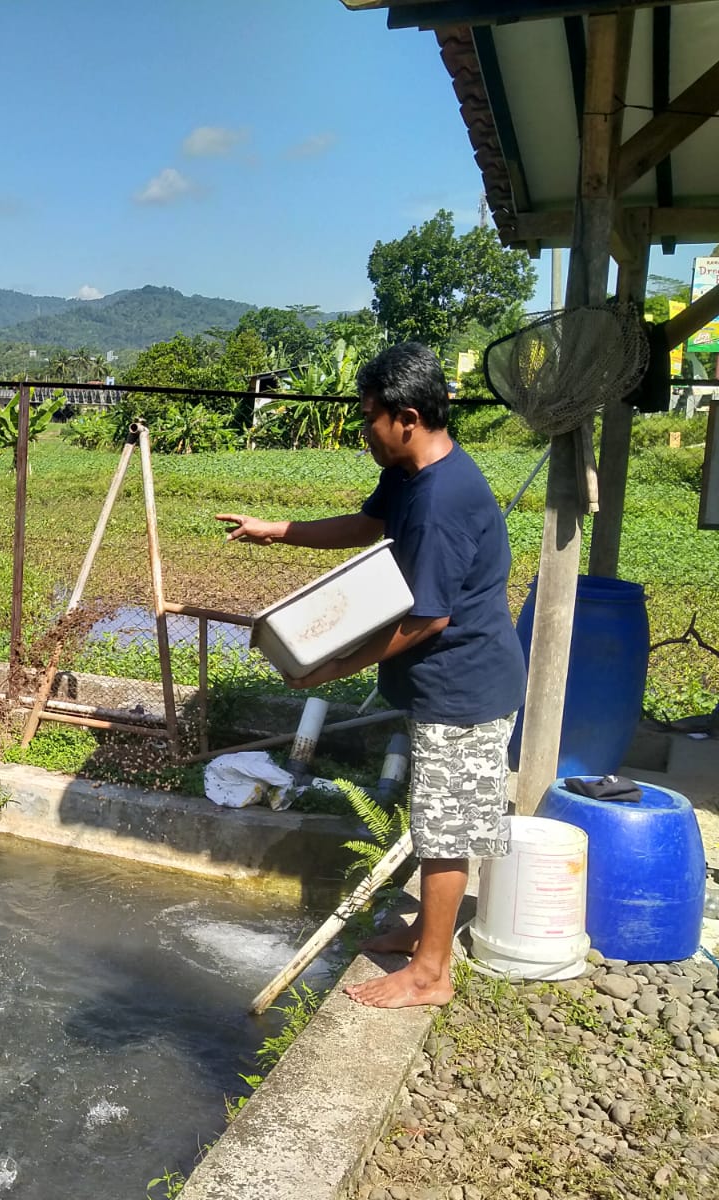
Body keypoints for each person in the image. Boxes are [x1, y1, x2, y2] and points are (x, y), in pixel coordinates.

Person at [216, 342, 526, 1009]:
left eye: (369, 420)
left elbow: (425, 621)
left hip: (464, 686)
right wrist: (279, 530)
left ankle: (431, 974)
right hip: (441, 683)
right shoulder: (411, 474)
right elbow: (369, 524)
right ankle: (423, 935)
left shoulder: (444, 500)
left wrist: (327, 665)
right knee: (434, 811)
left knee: (446, 829)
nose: (364, 433)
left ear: (406, 416)